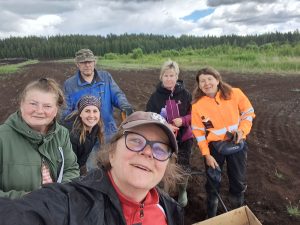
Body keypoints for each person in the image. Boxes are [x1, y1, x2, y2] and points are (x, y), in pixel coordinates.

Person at [0, 111, 184, 225]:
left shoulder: (170, 210)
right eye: (135, 141)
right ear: (111, 152)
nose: (148, 152)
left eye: (160, 149)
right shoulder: (70, 202)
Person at [191, 67, 255, 218]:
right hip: (214, 149)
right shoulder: (197, 105)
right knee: (213, 182)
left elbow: (248, 113)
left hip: (237, 144)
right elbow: (199, 133)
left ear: (217, 80)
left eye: (209, 79)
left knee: (238, 182)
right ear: (199, 85)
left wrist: (242, 131)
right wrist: (207, 155)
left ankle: (237, 213)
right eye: (202, 81)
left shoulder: (235, 93)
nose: (207, 83)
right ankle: (211, 214)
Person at [0, 78, 79, 199]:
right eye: (33, 104)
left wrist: (59, 194)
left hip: (54, 208)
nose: (39, 111)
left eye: (47, 106)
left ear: (56, 110)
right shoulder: (2, 137)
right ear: (21, 104)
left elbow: (71, 168)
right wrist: (30, 199)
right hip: (15, 213)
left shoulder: (61, 134)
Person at [61, 48, 133, 170]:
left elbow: (117, 94)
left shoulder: (105, 77)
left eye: (90, 61)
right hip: (86, 136)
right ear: (77, 64)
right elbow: (65, 112)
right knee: (94, 170)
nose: (87, 65)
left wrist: (124, 105)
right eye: (83, 62)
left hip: (108, 131)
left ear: (94, 62)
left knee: (113, 166)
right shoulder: (70, 84)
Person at [146, 59, 193, 207]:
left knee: (183, 165)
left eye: (172, 75)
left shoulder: (186, 94)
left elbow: (194, 115)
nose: (169, 78)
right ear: (161, 77)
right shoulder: (155, 97)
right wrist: (165, 124)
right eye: (166, 75)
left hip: (184, 137)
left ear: (176, 76)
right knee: (161, 163)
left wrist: (183, 120)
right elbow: (149, 116)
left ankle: (182, 190)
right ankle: (161, 194)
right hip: (163, 138)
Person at [65, 95, 104, 175]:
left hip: (80, 164)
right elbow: (69, 165)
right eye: (87, 111)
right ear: (80, 113)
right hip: (68, 170)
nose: (92, 115)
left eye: (95, 111)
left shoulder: (96, 128)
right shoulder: (72, 135)